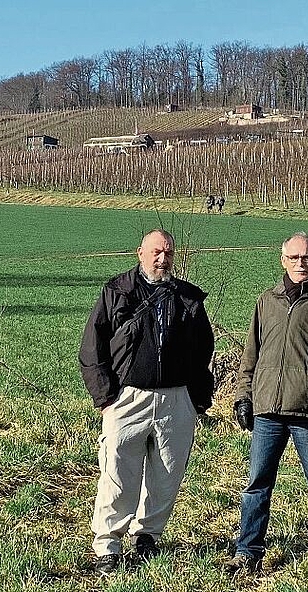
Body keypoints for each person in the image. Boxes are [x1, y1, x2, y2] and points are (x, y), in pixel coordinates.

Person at [79, 229, 215, 575]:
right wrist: (107, 399)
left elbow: (204, 351)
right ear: (140, 252)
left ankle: (147, 537)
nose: (162, 259)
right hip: (128, 399)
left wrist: (197, 400)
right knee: (117, 475)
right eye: (156, 252)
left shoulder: (188, 297)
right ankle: (108, 545)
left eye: (168, 253)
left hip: (176, 401)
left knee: (166, 476)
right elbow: (92, 350)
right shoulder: (117, 292)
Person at [225, 231, 308, 574]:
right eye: (293, 258)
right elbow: (251, 354)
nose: (300, 263)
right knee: (256, 484)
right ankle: (248, 549)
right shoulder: (267, 300)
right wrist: (243, 396)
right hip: (266, 409)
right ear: (282, 260)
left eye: (306, 257)